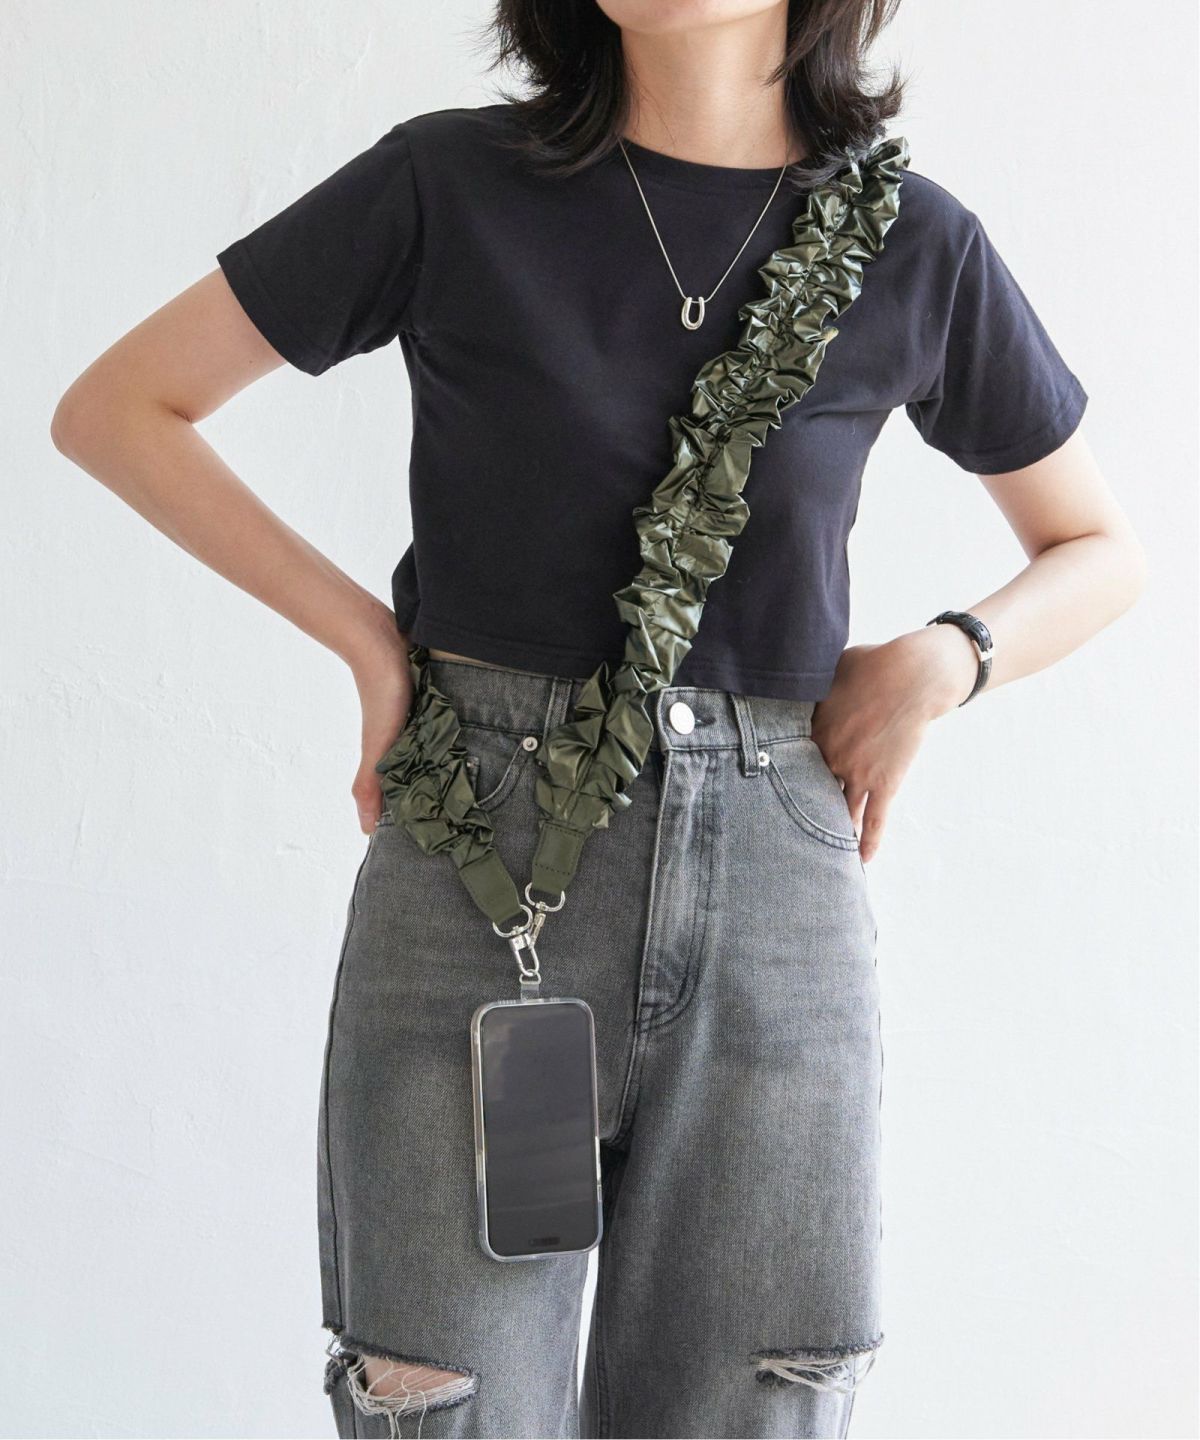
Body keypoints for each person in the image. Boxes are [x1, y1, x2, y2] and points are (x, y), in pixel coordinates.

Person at [49, 1, 1145, 1436]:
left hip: (775, 890)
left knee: (755, 1400)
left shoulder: (912, 240)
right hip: (481, 870)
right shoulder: (447, 184)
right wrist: (371, 644)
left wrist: (948, 657)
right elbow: (122, 408)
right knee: (445, 1400)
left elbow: (1098, 549)